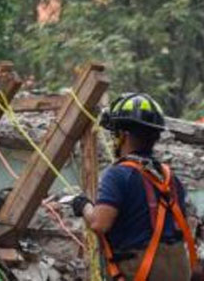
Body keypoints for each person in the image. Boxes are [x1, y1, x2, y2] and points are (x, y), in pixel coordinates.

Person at [71, 93, 199, 281]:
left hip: (141, 271)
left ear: (123, 135)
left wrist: (84, 206)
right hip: (177, 270)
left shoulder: (118, 174)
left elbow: (100, 223)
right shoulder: (169, 177)